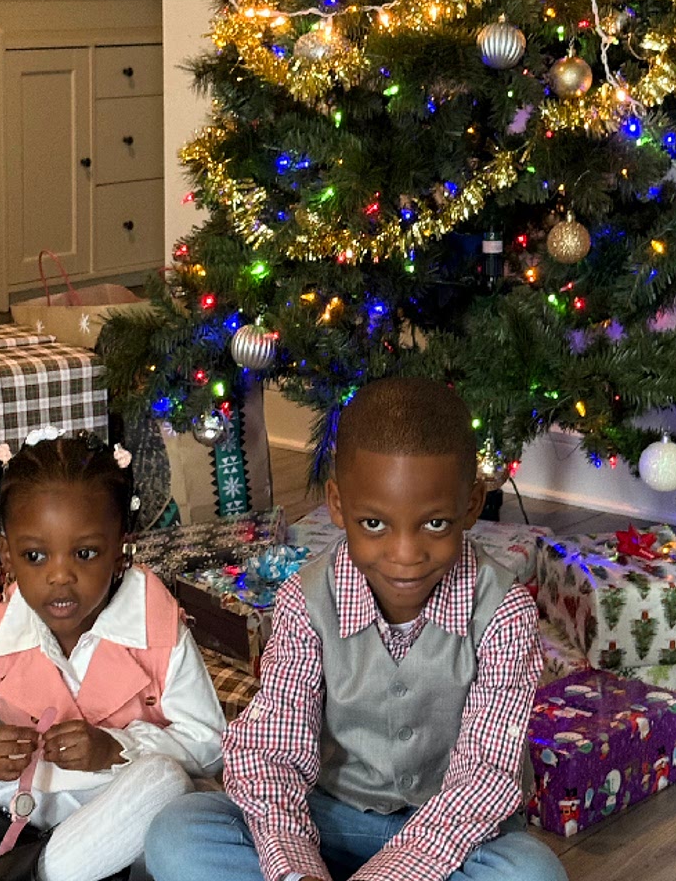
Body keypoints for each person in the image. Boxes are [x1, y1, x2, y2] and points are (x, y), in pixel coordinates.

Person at [145, 378, 567, 881]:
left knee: (532, 873)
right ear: (339, 505)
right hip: (328, 821)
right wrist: (297, 870)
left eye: (435, 524)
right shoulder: (305, 600)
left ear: (471, 505)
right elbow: (273, 751)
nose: (405, 555)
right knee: (177, 832)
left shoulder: (505, 613)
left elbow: (484, 778)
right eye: (374, 524)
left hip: (452, 837)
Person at [0, 427, 225, 881]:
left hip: (113, 805)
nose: (60, 576)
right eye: (36, 556)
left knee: (166, 783)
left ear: (121, 549)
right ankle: (48, 869)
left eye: (85, 552)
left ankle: (11, 871)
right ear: (7, 555)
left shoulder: (157, 627)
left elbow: (209, 746)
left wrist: (114, 748)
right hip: (19, 806)